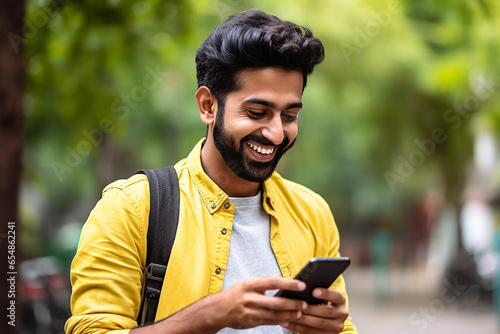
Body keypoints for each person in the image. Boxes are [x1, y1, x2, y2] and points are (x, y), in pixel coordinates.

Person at [65, 8, 357, 334]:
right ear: (207, 106)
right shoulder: (130, 209)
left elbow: (343, 327)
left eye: (289, 116)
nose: (276, 133)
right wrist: (210, 316)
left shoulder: (312, 213)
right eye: (257, 112)